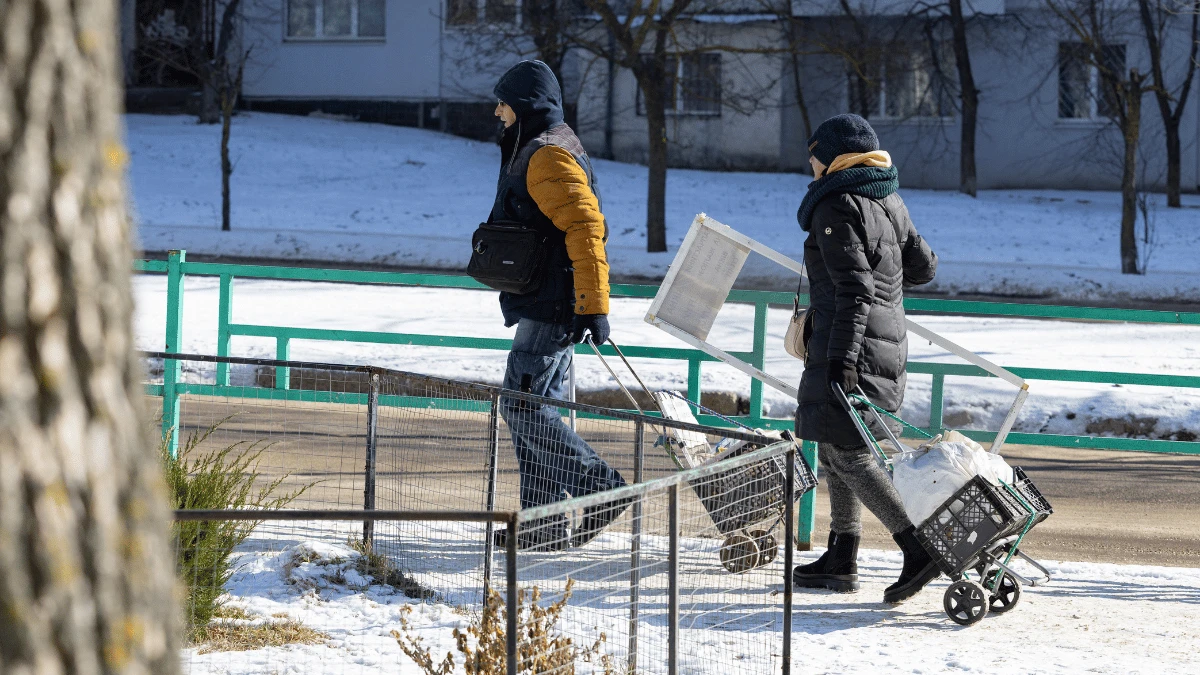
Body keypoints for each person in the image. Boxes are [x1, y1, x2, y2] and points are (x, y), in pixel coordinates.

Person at [789, 114, 940, 604]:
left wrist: (842, 360)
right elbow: (924, 267)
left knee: (850, 454)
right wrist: (886, 276)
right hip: (886, 340)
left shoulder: (835, 202)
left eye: (815, 155)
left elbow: (854, 290)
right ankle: (842, 553)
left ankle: (919, 547)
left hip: (850, 341)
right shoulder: (887, 197)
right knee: (835, 443)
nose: (810, 164)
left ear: (835, 157)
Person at [487, 60, 627, 550]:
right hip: (545, 300)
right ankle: (543, 524)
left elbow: (587, 229)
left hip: (552, 304)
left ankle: (601, 486)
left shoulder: (547, 155)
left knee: (521, 407)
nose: (497, 111)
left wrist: (593, 305)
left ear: (524, 104)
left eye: (504, 102)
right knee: (532, 408)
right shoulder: (543, 146)